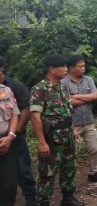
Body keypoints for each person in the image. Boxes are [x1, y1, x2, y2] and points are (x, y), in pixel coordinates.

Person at [30, 54, 84, 206]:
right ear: (52, 69)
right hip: (51, 138)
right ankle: (43, 201)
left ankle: (68, 198)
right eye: (64, 67)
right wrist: (41, 143)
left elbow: (67, 111)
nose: (67, 69)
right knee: (47, 172)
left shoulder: (63, 87)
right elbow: (35, 117)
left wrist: (73, 130)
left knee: (69, 168)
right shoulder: (39, 89)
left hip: (67, 136)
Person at [61, 55, 97, 183]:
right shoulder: (64, 83)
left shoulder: (88, 80)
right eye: (80, 66)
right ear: (71, 68)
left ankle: (93, 173)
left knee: (93, 148)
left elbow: (95, 96)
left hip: (89, 122)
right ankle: (70, 178)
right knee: (71, 153)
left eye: (84, 66)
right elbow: (66, 103)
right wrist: (85, 98)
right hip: (73, 124)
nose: (83, 68)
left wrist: (76, 97)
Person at [0, 56, 37, 205]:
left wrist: (14, 133)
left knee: (23, 168)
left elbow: (25, 109)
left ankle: (30, 196)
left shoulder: (13, 87)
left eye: (1, 70)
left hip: (15, 136)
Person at [0, 83, 19, 205]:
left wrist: (10, 137)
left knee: (9, 186)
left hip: (6, 142)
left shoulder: (5, 90)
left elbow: (14, 114)